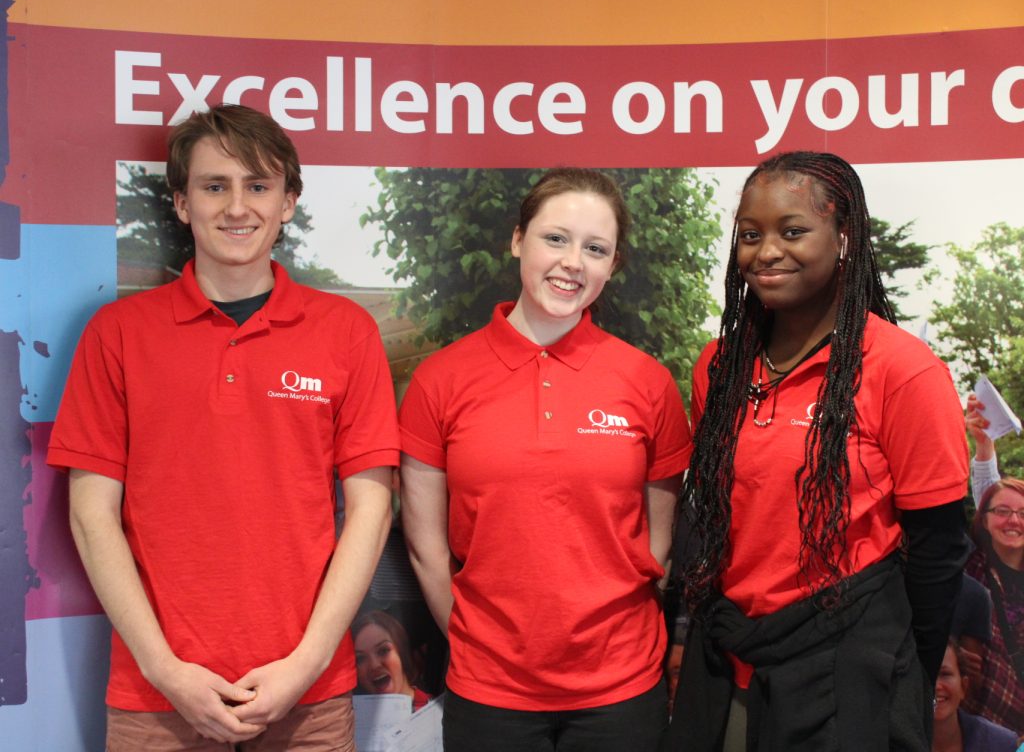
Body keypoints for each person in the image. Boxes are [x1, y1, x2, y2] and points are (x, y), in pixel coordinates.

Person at [47, 104, 398, 751]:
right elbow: (91, 515)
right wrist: (166, 671)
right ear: (182, 203)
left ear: (288, 201)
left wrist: (307, 663)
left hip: (307, 698)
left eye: (258, 186)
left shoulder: (347, 333)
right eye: (215, 186)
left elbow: (372, 508)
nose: (237, 207)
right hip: (157, 699)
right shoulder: (117, 335)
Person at [666, 151, 969, 751]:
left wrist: (907, 674)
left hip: (846, 666)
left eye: (793, 230)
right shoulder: (718, 367)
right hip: (726, 657)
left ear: (845, 237)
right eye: (750, 235)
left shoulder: (902, 370)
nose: (766, 251)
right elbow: (708, 519)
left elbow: (937, 549)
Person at [399, 168, 692, 751]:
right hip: (489, 693)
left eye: (595, 249)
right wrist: (471, 639)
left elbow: (657, 541)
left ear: (612, 266)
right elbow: (425, 545)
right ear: (518, 241)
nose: (573, 263)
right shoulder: (440, 379)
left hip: (621, 690)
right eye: (555, 238)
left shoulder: (647, 382)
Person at [964, 477, 1024, 733]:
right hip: (979, 714)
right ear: (984, 520)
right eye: (1002, 511)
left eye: (1023, 513)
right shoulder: (966, 570)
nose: (1014, 520)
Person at [932, 639, 1017, 752]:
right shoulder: (901, 743)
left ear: (963, 686)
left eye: (945, 674)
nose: (936, 686)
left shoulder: (1003, 745)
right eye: (924, 676)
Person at [353, 610, 433, 710]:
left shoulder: (436, 711)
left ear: (401, 652)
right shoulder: (350, 721)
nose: (374, 665)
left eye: (383, 651)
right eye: (360, 659)